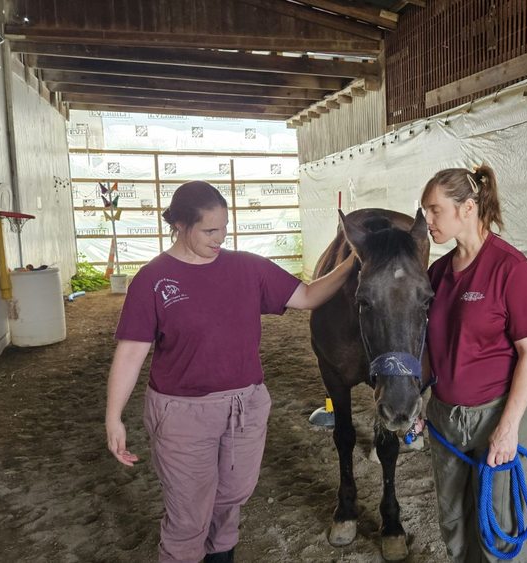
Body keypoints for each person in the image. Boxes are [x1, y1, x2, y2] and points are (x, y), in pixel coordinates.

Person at [104, 180, 354, 563]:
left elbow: (307, 296)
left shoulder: (247, 267)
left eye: (224, 228)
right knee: (189, 516)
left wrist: (354, 260)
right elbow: (132, 351)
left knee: (230, 502)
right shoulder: (152, 279)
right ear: (181, 225)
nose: (220, 238)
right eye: (209, 230)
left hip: (245, 407)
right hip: (182, 412)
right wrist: (114, 416)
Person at [420, 165, 527, 562]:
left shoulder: (512, 270)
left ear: (468, 208)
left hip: (499, 413)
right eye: (423, 210)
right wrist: (413, 401)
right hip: (446, 419)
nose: (426, 220)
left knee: (503, 533)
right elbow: (431, 350)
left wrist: (508, 429)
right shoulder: (437, 274)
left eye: (433, 210)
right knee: (456, 528)